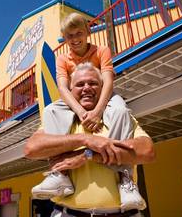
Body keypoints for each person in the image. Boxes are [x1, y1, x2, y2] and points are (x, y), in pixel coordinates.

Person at [30, 12, 143, 211]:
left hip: (102, 97)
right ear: (65, 38)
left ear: (88, 32)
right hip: (75, 100)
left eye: (78, 33)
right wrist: (82, 112)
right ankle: (61, 175)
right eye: (69, 36)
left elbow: (108, 80)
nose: (74, 39)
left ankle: (125, 177)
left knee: (121, 110)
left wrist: (98, 111)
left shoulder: (102, 51)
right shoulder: (62, 59)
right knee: (50, 111)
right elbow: (63, 88)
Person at [25, 63, 156, 217]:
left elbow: (147, 151)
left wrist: (87, 155)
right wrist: (85, 139)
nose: (86, 88)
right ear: (70, 91)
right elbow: (31, 149)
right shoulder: (60, 119)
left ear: (103, 89)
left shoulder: (118, 115)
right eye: (80, 84)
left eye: (93, 83)